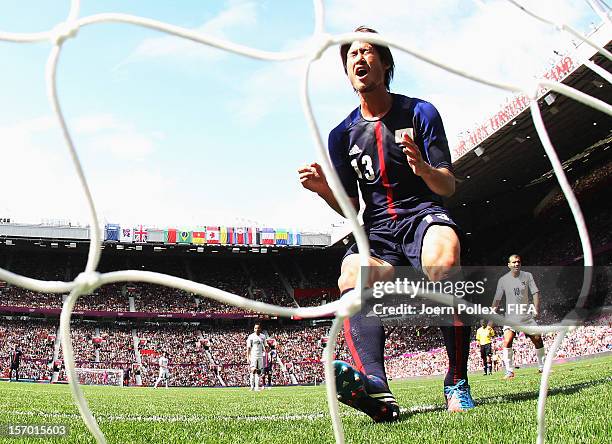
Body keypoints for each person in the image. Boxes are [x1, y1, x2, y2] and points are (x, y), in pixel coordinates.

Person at [298, 26, 474, 421]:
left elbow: (448, 185)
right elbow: (350, 208)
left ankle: (456, 380)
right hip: (378, 231)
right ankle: (377, 388)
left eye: (366, 51)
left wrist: (423, 167)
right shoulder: (340, 134)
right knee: (350, 274)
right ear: (347, 71)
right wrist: (324, 190)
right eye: (351, 55)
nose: (358, 58)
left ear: (385, 62)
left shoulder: (420, 112)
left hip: (424, 215)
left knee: (444, 262)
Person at [492, 254, 546, 379]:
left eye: (519, 262)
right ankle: (509, 371)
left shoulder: (527, 276)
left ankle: (542, 367)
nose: (517, 264)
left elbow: (535, 292)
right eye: (514, 262)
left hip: (526, 315)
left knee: (537, 338)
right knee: (507, 341)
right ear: (509, 265)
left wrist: (536, 309)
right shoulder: (503, 280)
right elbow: (497, 299)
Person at [246, 323, 267, 391]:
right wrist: (248, 357)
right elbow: (248, 348)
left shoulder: (263, 336)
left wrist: (268, 349)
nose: (257, 329)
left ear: (260, 329)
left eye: (258, 328)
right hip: (253, 356)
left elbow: (265, 346)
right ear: (254, 329)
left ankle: (257, 387)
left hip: (260, 356)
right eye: (255, 328)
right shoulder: (251, 336)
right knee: (253, 370)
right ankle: (252, 387)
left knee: (258, 372)